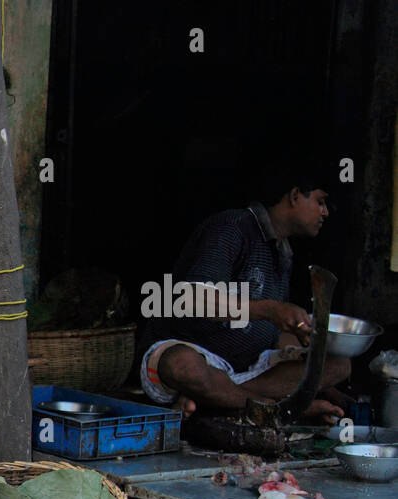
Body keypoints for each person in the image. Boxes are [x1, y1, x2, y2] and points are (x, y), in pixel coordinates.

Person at [140, 165, 349, 420]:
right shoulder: (233, 227)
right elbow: (190, 298)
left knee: (338, 364)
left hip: (247, 370)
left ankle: (223, 401)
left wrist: (307, 343)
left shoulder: (283, 252)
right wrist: (271, 310)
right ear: (295, 196)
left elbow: (270, 336)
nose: (325, 212)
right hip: (200, 359)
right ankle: (279, 409)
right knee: (182, 366)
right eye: (321, 201)